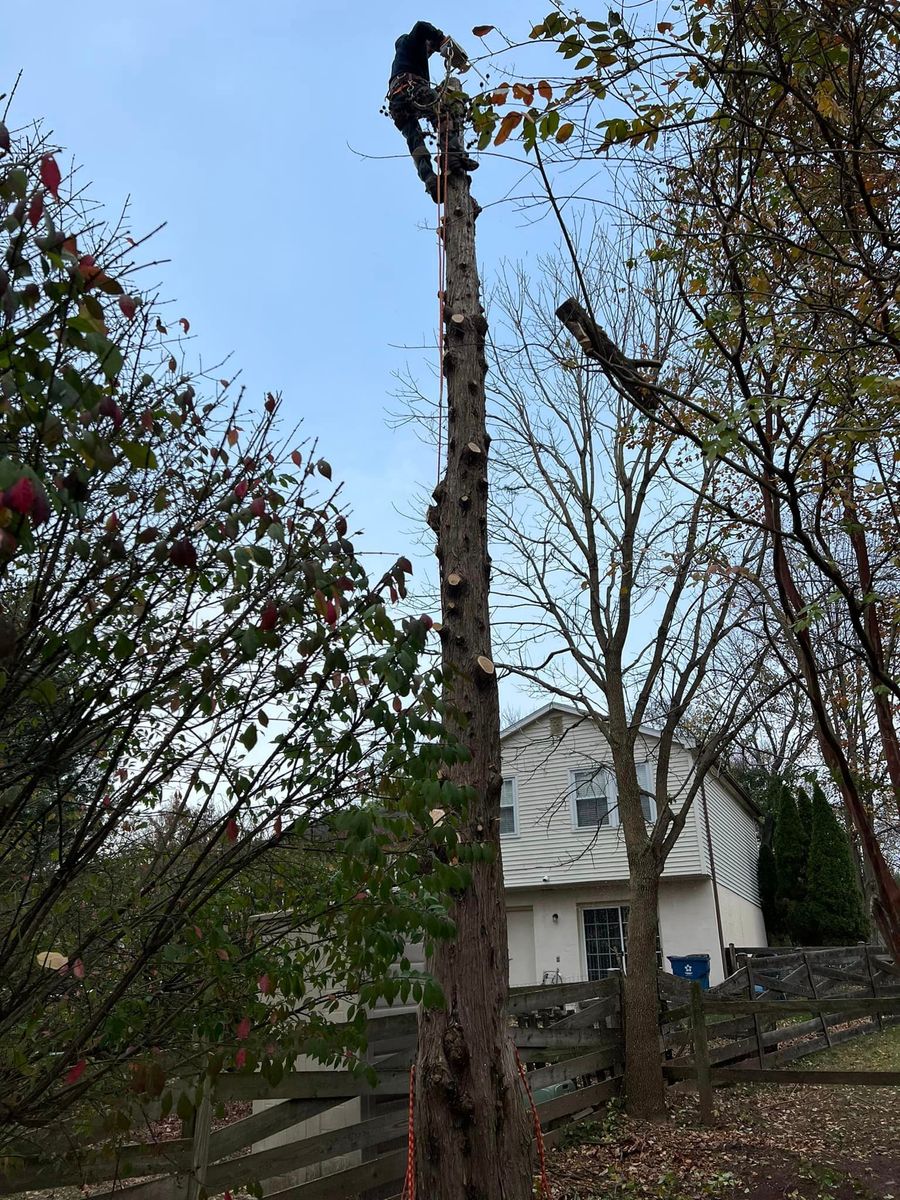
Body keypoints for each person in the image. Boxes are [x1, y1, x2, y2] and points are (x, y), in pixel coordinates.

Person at [387, 21, 479, 202]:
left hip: (397, 102)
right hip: (411, 87)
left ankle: (430, 180)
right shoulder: (411, 43)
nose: (429, 52)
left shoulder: (404, 60)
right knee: (444, 113)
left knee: (415, 140)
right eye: (428, 48)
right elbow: (421, 26)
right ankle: (453, 156)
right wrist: (442, 40)